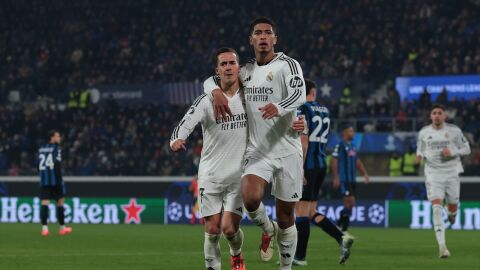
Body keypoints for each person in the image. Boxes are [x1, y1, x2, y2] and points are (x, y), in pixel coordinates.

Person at [203, 17, 306, 270]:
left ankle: (286, 267)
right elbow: (213, 79)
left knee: (286, 218)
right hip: (257, 151)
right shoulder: (245, 71)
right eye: (257, 33)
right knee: (249, 199)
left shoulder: (288, 65)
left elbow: (299, 93)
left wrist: (280, 108)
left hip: (288, 151)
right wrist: (215, 92)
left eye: (267, 33)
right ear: (251, 40)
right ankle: (266, 229)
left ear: (274, 39)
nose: (262, 37)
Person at [170, 48, 247, 270]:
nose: (228, 67)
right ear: (217, 70)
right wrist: (176, 139)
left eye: (232, 63)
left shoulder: (249, 96)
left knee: (230, 230)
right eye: (223, 64)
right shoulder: (206, 101)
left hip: (238, 175)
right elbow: (184, 124)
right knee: (212, 230)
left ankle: (236, 253)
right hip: (210, 174)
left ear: (239, 68)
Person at [293, 79, 354, 266]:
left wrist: (300, 168)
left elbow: (303, 141)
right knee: (311, 211)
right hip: (321, 164)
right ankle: (341, 237)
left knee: (301, 211)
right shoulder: (325, 110)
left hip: (308, 165)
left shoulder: (302, 108)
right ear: (315, 92)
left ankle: (300, 257)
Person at [415, 104, 471, 259]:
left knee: (453, 204)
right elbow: (420, 147)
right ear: (430, 116)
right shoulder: (424, 132)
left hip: (452, 172)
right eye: (434, 113)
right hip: (433, 174)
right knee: (436, 207)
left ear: (445, 116)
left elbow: (467, 149)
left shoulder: (454, 131)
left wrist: (453, 151)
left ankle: (452, 213)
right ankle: (442, 247)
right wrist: (419, 155)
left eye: (440, 113)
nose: (437, 115)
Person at [332, 124, 369, 232]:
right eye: (350, 131)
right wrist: (336, 177)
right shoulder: (340, 145)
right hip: (344, 179)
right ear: (344, 133)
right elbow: (334, 161)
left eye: (353, 131)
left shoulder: (352, 146)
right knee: (350, 202)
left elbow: (357, 162)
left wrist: (364, 174)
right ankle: (344, 228)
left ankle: (340, 223)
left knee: (350, 204)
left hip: (352, 179)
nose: (353, 133)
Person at [38, 130, 72, 236]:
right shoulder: (57, 149)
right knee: (60, 202)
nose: (59, 138)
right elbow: (57, 164)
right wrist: (59, 180)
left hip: (44, 180)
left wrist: (42, 176)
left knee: (44, 204)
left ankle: (44, 229)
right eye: (58, 136)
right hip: (55, 180)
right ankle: (62, 228)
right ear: (52, 138)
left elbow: (37, 165)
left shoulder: (41, 148)